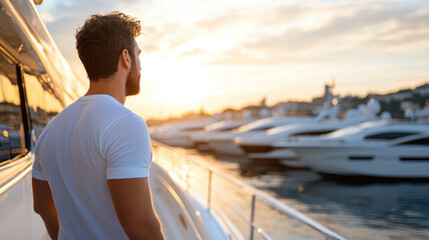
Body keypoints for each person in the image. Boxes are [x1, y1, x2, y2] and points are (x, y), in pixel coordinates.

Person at [31, 12, 164, 240]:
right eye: (138, 55)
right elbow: (140, 224)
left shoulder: (51, 131)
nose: (140, 66)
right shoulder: (126, 124)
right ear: (126, 58)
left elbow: (41, 206)